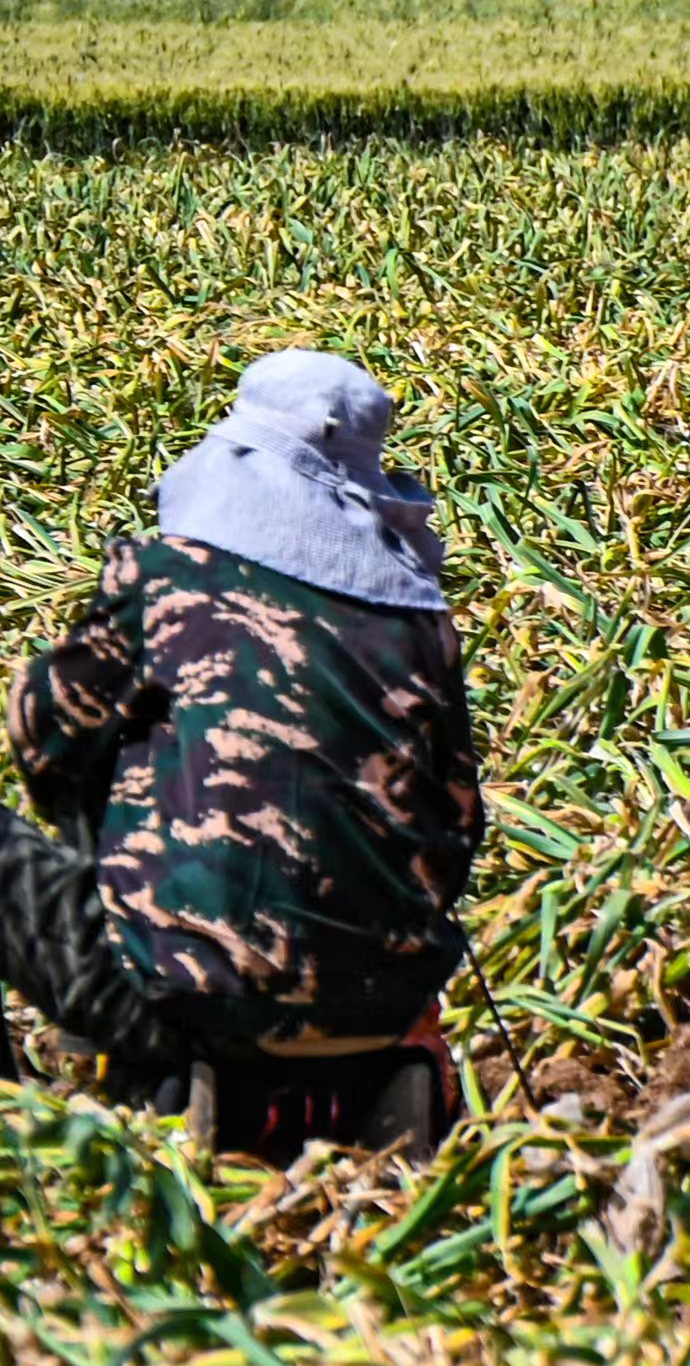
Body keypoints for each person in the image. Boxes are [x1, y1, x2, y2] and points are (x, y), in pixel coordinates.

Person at [1, 352, 480, 1155]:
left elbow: (42, 734)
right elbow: (458, 824)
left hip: (183, 999)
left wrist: (111, 822)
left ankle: (60, 1112)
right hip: (378, 1014)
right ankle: (352, 1083)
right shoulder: (421, 627)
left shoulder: (167, 580)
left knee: (113, 784)